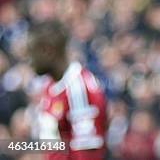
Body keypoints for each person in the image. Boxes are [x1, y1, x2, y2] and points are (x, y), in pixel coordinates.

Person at [27, 21, 107, 160]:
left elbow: (88, 153)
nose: (30, 61)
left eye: (32, 54)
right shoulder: (51, 85)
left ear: (48, 51)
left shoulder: (79, 88)